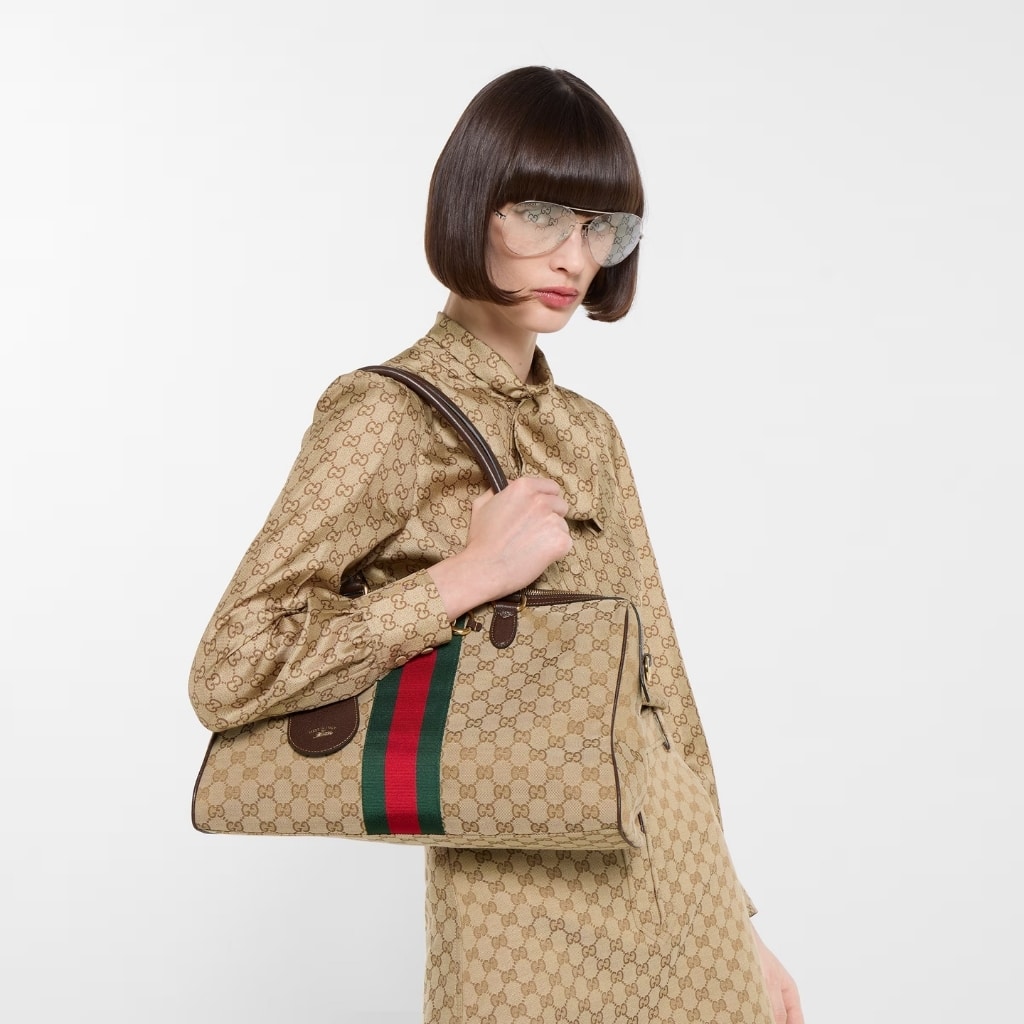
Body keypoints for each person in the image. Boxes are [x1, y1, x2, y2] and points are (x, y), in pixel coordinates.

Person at [189, 65, 804, 1024]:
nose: (576, 255)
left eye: (603, 227)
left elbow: (665, 688)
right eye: (543, 215)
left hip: (681, 880)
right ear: (471, 206)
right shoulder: (384, 414)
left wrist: (740, 918)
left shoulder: (589, 431)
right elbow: (231, 669)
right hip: (517, 914)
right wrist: (464, 579)